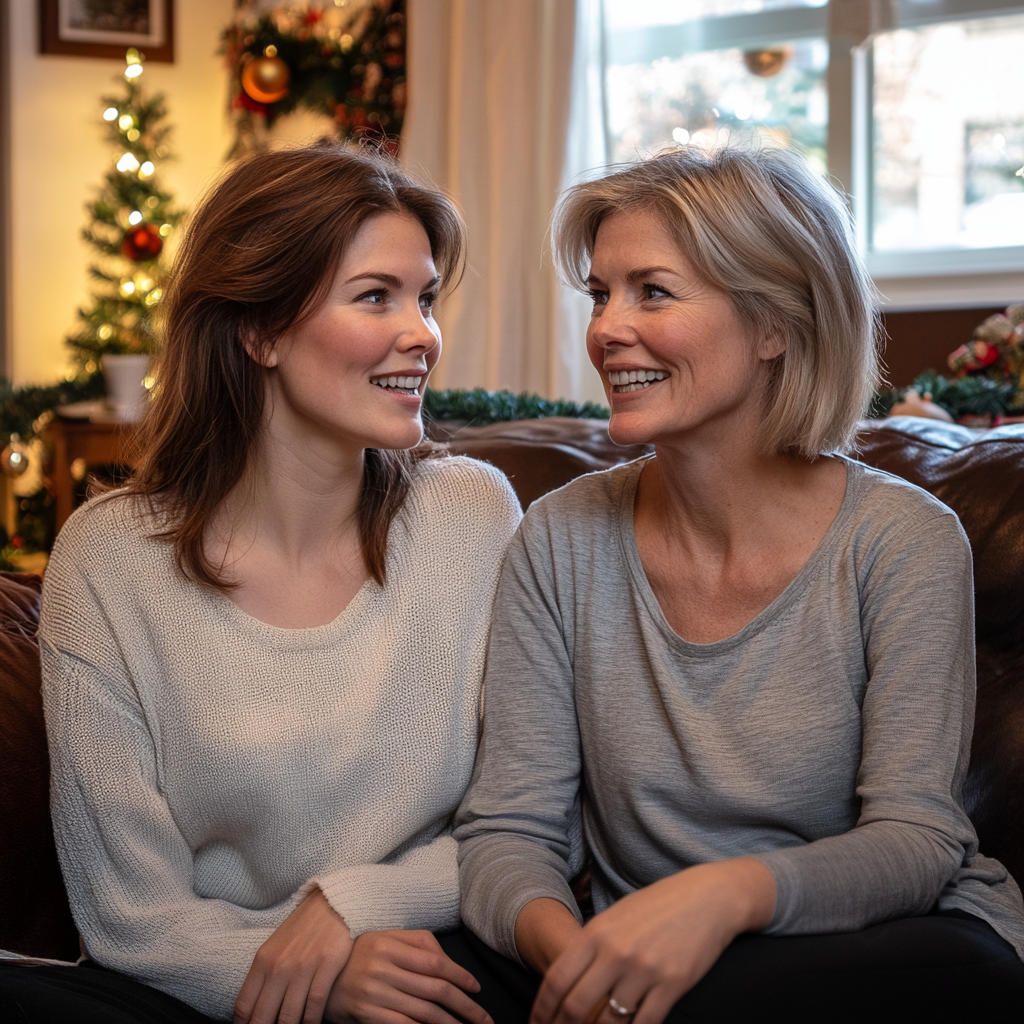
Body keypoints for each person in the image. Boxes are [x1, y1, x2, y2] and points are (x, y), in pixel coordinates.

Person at [451, 145, 1024, 1023]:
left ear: (776, 326)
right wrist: (572, 965)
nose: (607, 328)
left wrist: (725, 898)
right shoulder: (559, 537)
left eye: (654, 290)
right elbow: (508, 833)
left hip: (875, 947)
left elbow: (916, 843)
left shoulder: (903, 540)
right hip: (632, 951)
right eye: (601, 293)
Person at [0, 141, 521, 1024]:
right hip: (201, 981)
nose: (423, 334)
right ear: (260, 331)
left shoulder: (472, 518)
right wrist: (322, 986)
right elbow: (129, 912)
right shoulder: (112, 558)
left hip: (428, 956)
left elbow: (530, 826)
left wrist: (349, 908)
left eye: (426, 297)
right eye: (376, 297)